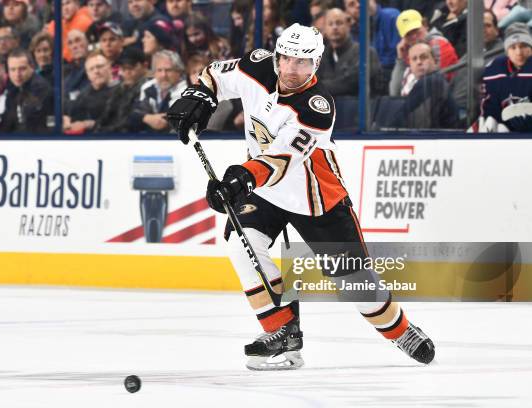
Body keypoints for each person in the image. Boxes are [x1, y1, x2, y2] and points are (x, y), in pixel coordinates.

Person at [167, 23, 435, 370]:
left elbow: (281, 160)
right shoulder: (256, 66)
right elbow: (214, 75)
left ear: (317, 64)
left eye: (302, 62)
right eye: (287, 59)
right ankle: (284, 336)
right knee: (241, 244)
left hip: (316, 199)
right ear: (277, 56)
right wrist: (199, 96)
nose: (292, 69)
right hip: (265, 192)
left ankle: (400, 330)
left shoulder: (317, 107)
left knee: (358, 287)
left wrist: (238, 180)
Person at [390, 9, 458, 96]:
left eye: (416, 30)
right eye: (408, 34)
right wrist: (400, 60)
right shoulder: (409, 51)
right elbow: (394, 92)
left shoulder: (439, 44)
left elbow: (434, 87)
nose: (414, 36)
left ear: (425, 25)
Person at [477, 22, 532, 132]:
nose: (518, 52)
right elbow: (489, 106)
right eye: (513, 47)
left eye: (523, 46)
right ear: (507, 51)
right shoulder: (494, 69)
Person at [317, 8, 384, 96]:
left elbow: (351, 84)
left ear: (348, 26)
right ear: (325, 29)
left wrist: (318, 87)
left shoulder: (366, 53)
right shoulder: (320, 56)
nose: (335, 27)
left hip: (358, 107)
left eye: (339, 23)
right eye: (330, 24)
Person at [391, 41, 458, 128]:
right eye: (414, 59)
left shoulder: (432, 82)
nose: (419, 62)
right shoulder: (432, 80)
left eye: (424, 57)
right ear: (410, 65)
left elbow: (403, 120)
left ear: (435, 61)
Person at [0, 49, 54, 133]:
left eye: (22, 69)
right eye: (13, 70)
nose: (17, 74)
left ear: (32, 68)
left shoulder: (41, 88)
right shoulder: (14, 88)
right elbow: (7, 121)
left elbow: (30, 123)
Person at [129, 49, 186, 132]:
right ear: (154, 73)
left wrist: (145, 118)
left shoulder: (186, 90)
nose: (163, 75)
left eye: (168, 70)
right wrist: (146, 118)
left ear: (179, 71)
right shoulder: (148, 87)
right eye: (159, 70)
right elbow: (135, 113)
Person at [95, 46, 149, 132]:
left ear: (145, 66)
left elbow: (130, 123)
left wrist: (104, 132)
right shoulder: (118, 89)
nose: (127, 72)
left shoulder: (148, 90)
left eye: (131, 67)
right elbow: (105, 115)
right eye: (123, 68)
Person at [64, 51, 119, 133]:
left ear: (110, 68)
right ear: (88, 75)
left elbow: (119, 123)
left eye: (100, 66)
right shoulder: (83, 94)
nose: (96, 71)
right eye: (91, 69)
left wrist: (89, 124)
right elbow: (72, 117)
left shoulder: (122, 90)